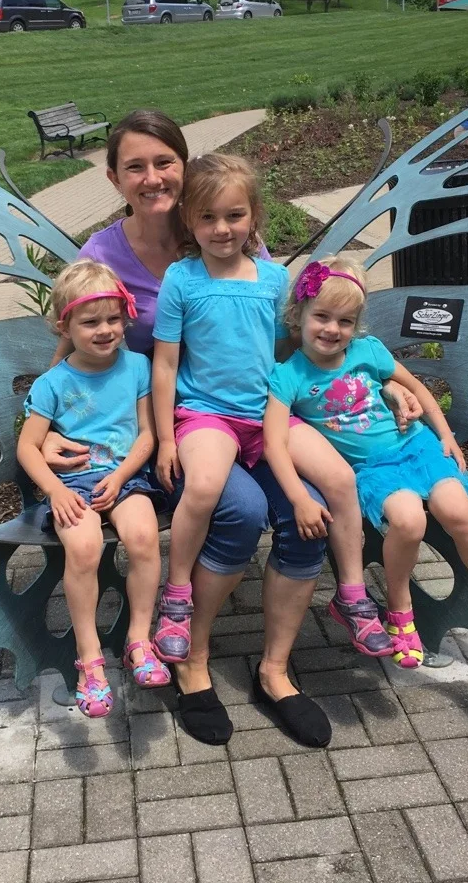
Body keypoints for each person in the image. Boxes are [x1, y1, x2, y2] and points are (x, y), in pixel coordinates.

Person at [41, 109, 419, 746]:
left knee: (317, 507)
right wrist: (47, 423)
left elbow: (309, 334)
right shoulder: (105, 256)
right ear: (114, 178)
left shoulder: (252, 259)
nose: (153, 177)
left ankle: (276, 671)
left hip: (262, 416)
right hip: (173, 429)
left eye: (165, 162)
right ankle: (191, 663)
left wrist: (381, 381)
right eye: (136, 166)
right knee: (238, 512)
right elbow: (77, 333)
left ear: (185, 172)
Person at [152, 153, 393, 673]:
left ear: (254, 215)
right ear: (189, 220)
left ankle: (351, 592)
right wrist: (167, 439)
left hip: (268, 415)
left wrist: (380, 386)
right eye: (208, 217)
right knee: (205, 484)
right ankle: (175, 598)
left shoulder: (273, 279)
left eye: (234, 215)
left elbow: (304, 351)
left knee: (339, 478)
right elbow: (166, 363)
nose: (222, 229)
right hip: (206, 416)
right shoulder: (182, 279)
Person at [264, 256, 468, 671]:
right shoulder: (289, 376)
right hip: (373, 469)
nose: (333, 329)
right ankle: (399, 609)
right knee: (409, 522)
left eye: (346, 321)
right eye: (322, 316)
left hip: (418, 446)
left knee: (459, 512)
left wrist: (444, 434)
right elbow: (275, 443)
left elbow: (417, 389)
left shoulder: (368, 351)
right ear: (298, 315)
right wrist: (298, 495)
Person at [16, 260, 169, 718]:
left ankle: (139, 642)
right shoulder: (53, 383)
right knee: (82, 549)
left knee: (143, 538)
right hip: (72, 483)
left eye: (113, 319)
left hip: (125, 476)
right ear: (64, 326)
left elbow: (147, 434)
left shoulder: (138, 367)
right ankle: (90, 659)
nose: (105, 330)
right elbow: (28, 447)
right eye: (90, 322)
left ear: (126, 317)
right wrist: (55, 492)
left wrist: (122, 477)